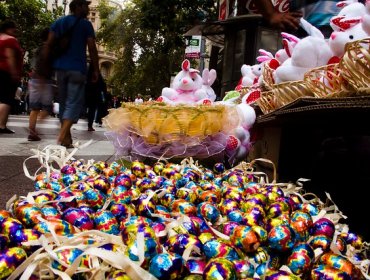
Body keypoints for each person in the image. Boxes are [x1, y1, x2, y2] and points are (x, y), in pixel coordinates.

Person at [43, 0, 99, 147]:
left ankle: (67, 140)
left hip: (60, 68)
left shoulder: (59, 22)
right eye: (85, 5)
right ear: (78, 7)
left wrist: (46, 65)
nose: (87, 8)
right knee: (73, 103)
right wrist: (95, 69)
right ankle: (62, 136)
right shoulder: (85, 24)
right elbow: (92, 47)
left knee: (63, 104)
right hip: (77, 69)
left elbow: (48, 44)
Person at [27, 28, 54, 141]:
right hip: (43, 80)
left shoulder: (38, 49)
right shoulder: (47, 48)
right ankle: (33, 130)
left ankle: (32, 131)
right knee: (48, 108)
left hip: (34, 79)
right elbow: (44, 64)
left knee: (35, 108)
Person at [0, 20, 23, 134]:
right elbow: (10, 57)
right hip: (6, 72)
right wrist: (14, 73)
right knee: (6, 99)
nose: (16, 30)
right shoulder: (10, 39)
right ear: (8, 28)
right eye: (14, 28)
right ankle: (1, 125)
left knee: (2, 98)